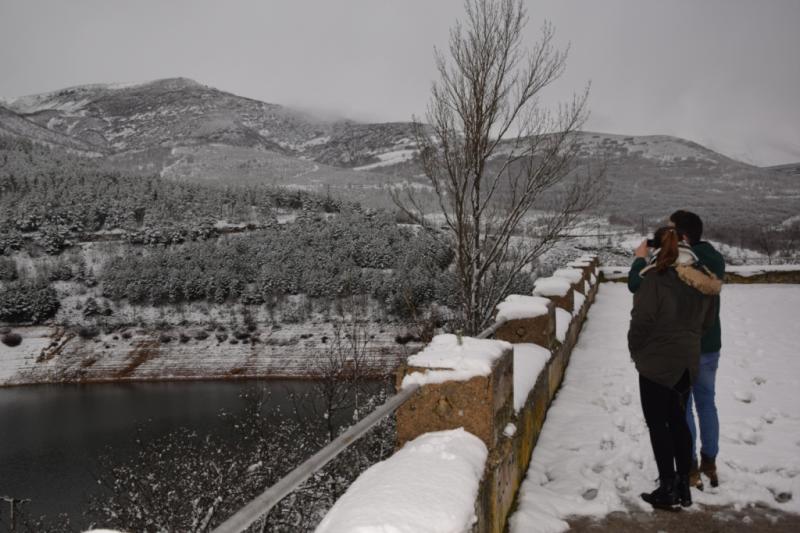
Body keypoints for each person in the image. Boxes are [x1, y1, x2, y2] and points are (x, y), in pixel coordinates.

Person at [629, 211, 725, 490]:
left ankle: (689, 469)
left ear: (681, 236)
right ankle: (710, 461)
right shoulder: (713, 259)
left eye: (670, 229)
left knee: (683, 409)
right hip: (709, 343)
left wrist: (641, 259)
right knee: (707, 403)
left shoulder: (681, 261)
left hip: (681, 347)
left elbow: (638, 285)